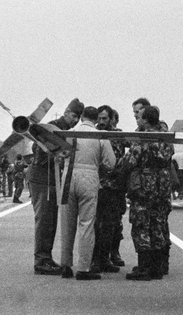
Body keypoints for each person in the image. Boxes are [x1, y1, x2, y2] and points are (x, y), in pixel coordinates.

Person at [57, 106, 115, 279]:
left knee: (67, 224)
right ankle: (83, 268)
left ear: (81, 117)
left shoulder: (68, 132)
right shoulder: (99, 136)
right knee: (87, 224)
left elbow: (58, 154)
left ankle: (65, 265)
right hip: (89, 177)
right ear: (96, 118)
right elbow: (110, 163)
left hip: (68, 176)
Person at [118, 105, 174, 280]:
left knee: (141, 226)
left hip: (144, 189)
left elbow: (129, 162)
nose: (137, 120)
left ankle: (144, 268)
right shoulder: (166, 139)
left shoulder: (143, 139)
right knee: (158, 225)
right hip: (162, 189)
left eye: (140, 117)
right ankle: (157, 267)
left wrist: (116, 169)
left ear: (146, 120)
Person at [30, 98, 81, 274]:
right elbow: (37, 150)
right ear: (66, 112)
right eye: (74, 115)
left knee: (50, 220)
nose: (75, 120)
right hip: (42, 177)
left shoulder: (68, 131)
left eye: (78, 117)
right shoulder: (52, 128)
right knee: (44, 219)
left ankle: (46, 258)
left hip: (51, 179)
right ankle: (41, 260)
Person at [91, 105, 127, 272]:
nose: (101, 122)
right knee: (95, 224)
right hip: (97, 186)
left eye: (105, 118)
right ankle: (96, 259)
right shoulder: (93, 134)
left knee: (112, 224)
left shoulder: (117, 135)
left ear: (111, 118)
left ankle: (109, 255)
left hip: (114, 187)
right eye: (99, 118)